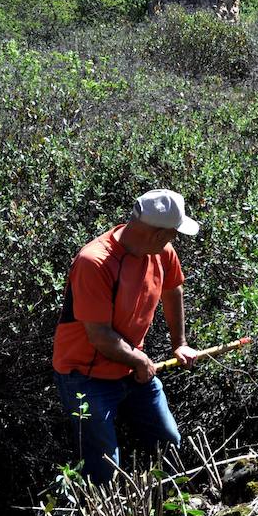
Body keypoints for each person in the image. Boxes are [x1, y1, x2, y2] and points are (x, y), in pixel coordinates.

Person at [52, 189, 200, 483]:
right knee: (105, 465)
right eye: (172, 234)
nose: (173, 240)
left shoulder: (162, 253)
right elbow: (100, 336)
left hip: (131, 368)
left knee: (168, 441)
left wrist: (179, 344)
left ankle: (172, 511)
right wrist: (139, 360)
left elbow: (173, 290)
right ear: (157, 234)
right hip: (84, 375)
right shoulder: (94, 262)